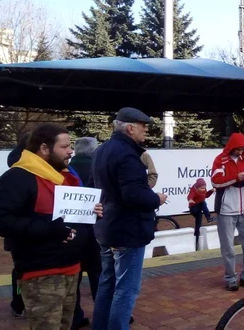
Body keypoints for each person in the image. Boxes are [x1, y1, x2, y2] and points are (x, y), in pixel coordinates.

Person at [0, 124, 89, 330]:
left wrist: (90, 210)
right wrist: (49, 229)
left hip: (71, 268)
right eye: (64, 146)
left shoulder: (62, 175)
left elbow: (69, 216)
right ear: (44, 148)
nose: (71, 151)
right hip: (43, 273)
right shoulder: (18, 178)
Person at [91, 107, 168, 330]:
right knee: (126, 289)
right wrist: (157, 199)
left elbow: (95, 186)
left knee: (107, 284)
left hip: (107, 228)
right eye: (143, 126)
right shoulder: (128, 156)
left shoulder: (101, 151)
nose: (146, 131)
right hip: (127, 231)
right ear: (130, 128)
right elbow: (134, 195)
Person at [210, 132, 244, 291]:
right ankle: (230, 278)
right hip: (226, 209)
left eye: (242, 149)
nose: (240, 152)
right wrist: (236, 177)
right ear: (231, 147)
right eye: (237, 149)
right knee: (228, 247)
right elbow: (215, 182)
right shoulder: (221, 160)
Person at [68, 137, 101, 330]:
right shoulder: (97, 169)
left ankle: (75, 316)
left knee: (75, 277)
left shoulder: (66, 169)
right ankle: (103, 314)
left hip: (72, 232)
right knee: (98, 274)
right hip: (94, 230)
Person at [4, 131, 31, 318]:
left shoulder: (15, 159)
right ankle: (19, 302)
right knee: (22, 270)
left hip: (17, 233)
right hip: (23, 231)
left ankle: (18, 303)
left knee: (20, 269)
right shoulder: (24, 165)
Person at [188, 177, 216, 246]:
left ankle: (196, 242)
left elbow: (206, 195)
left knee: (198, 225)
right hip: (194, 208)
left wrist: (211, 191)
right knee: (203, 203)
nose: (203, 190)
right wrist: (190, 199)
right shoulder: (194, 190)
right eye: (201, 188)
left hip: (199, 210)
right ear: (197, 188)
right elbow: (190, 196)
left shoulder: (203, 190)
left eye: (204, 188)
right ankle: (208, 218)